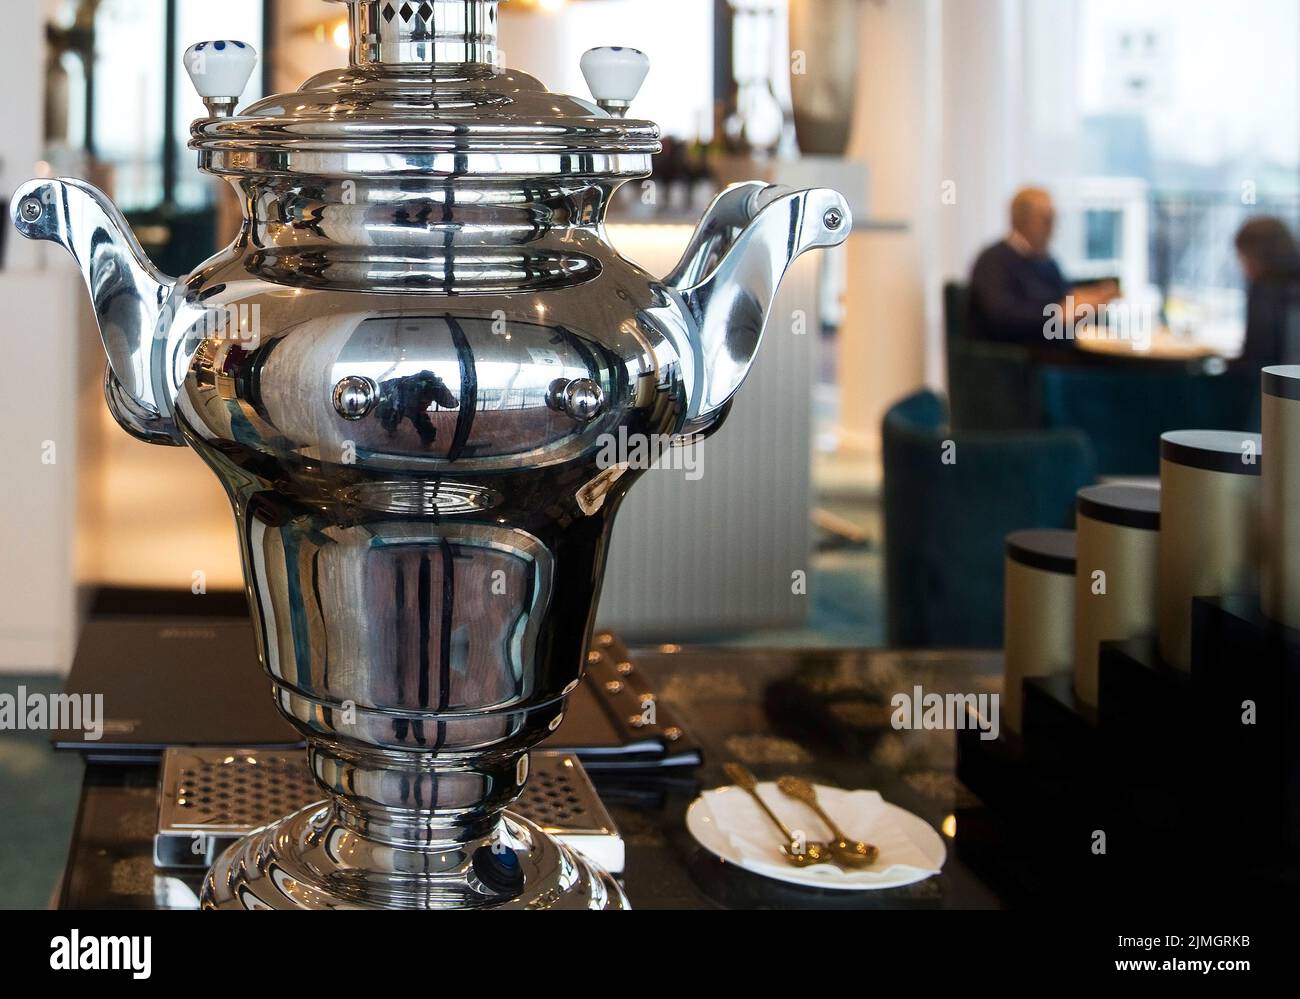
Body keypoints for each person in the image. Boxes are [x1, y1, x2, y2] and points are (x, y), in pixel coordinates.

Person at [966, 187, 1117, 346]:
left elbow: (1063, 297)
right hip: (1017, 359)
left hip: (1056, 351)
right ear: (1020, 220)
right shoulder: (994, 260)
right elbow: (1002, 317)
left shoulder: (1047, 262)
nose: (1052, 227)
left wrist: (1088, 299)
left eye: (1054, 219)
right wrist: (1059, 313)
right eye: (1046, 219)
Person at [1235, 216, 1300, 367]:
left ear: (1253, 255)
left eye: (1241, 257)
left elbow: (1256, 356)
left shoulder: (1265, 290)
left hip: (1273, 385)